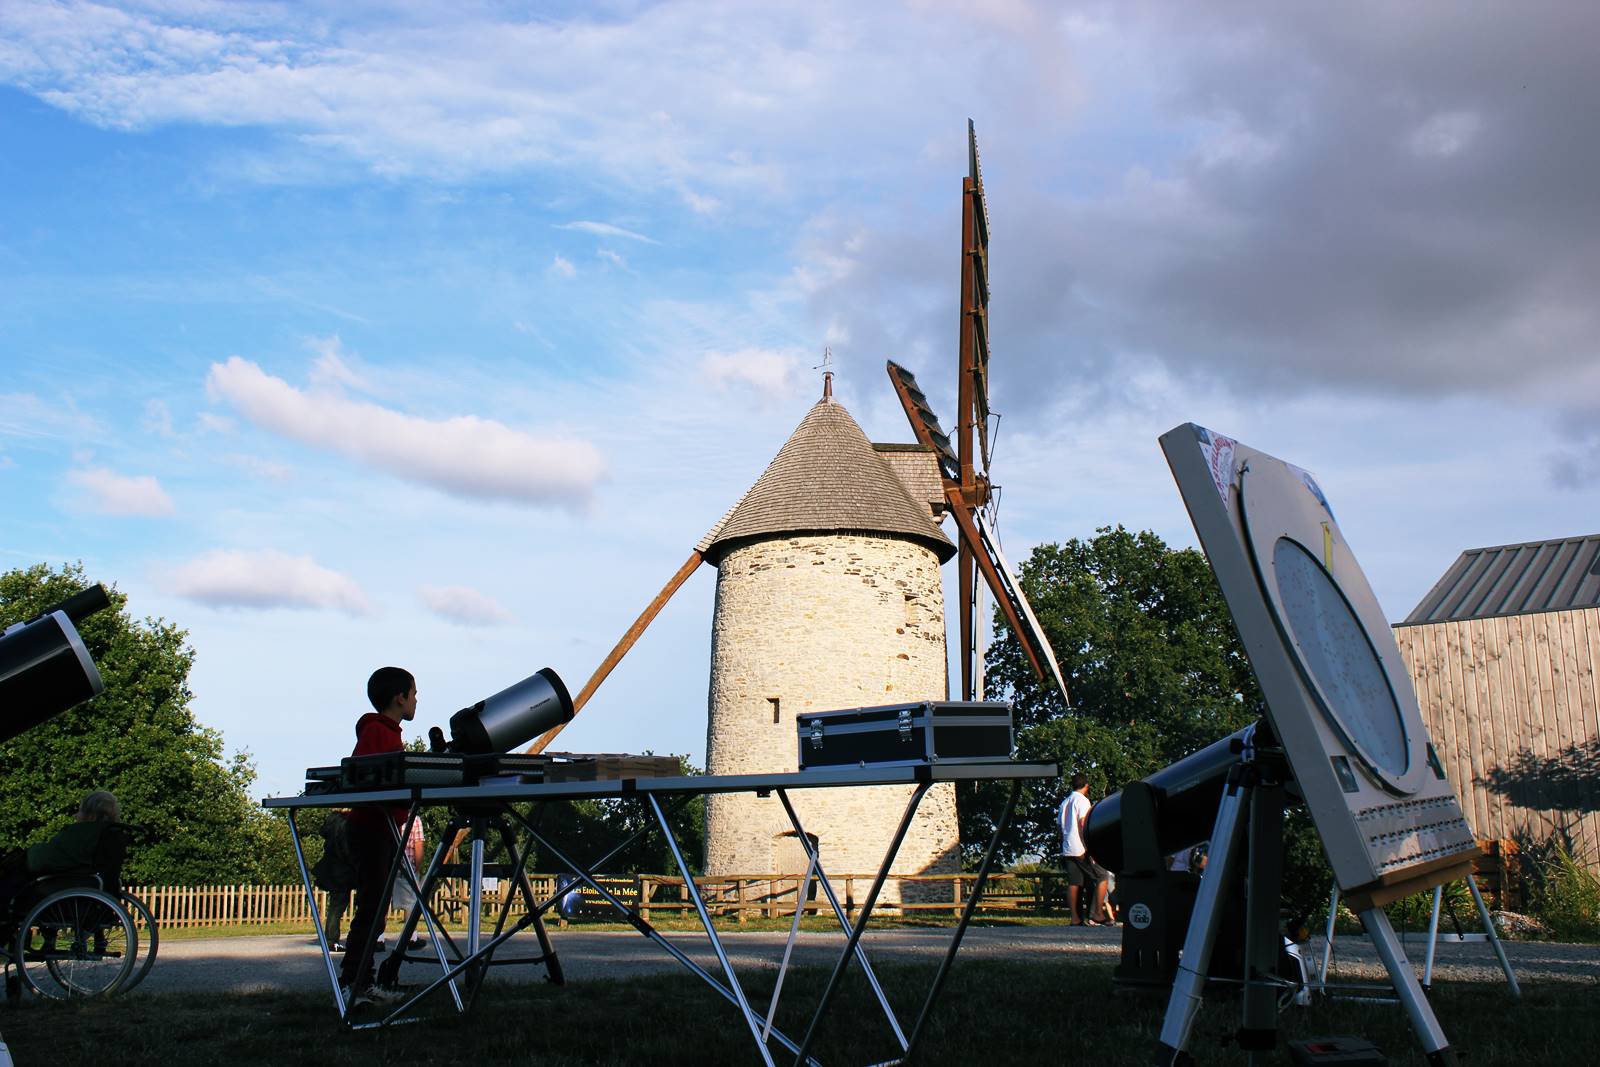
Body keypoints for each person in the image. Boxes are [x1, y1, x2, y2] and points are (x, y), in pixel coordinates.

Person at [338, 666, 417, 1004]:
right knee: (371, 909)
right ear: (399, 698)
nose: (416, 701)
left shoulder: (387, 731)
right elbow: (369, 776)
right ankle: (353, 982)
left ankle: (360, 980)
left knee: (375, 908)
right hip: (372, 827)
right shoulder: (378, 732)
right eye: (414, 694)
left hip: (381, 826)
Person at [0, 791, 126, 915]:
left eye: (80, 811)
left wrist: (27, 855)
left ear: (91, 815)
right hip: (93, 891)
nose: (76, 815)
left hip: (63, 889)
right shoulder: (111, 834)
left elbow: (45, 858)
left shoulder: (82, 833)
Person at [1057, 774, 1112, 926]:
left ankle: (1075, 918)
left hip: (1068, 847)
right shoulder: (1082, 801)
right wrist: (1090, 847)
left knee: (1074, 883)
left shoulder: (1065, 802)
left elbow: (1060, 829)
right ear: (1086, 786)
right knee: (1102, 876)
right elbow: (1083, 824)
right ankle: (1097, 913)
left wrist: (1063, 843)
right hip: (1081, 847)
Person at [311, 809, 356, 950]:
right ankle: (332, 939)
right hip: (343, 869)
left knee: (335, 905)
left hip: (332, 867)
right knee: (338, 906)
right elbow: (346, 848)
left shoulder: (332, 822)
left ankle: (331, 938)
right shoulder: (344, 823)